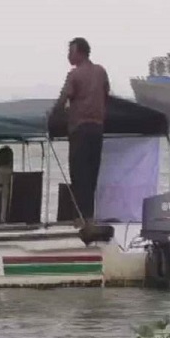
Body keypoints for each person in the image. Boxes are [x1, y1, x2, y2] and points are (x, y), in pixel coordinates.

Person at [51, 37, 110, 227]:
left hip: (80, 129)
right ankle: (90, 216)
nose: (68, 55)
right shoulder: (101, 72)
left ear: (80, 52)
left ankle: (81, 219)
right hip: (97, 129)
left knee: (79, 174)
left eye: (70, 51)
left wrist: (52, 118)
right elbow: (106, 93)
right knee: (92, 174)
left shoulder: (74, 75)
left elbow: (62, 100)